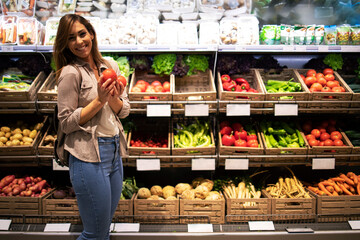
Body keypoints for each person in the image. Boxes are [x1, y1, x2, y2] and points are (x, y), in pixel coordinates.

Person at [53, 14, 130, 240]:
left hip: (114, 153)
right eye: (70, 38)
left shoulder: (110, 65)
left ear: (92, 34)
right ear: (64, 44)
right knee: (94, 234)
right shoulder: (70, 73)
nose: (79, 41)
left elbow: (124, 110)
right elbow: (66, 122)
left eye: (82, 34)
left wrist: (113, 97)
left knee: (103, 230)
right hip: (87, 157)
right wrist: (100, 100)